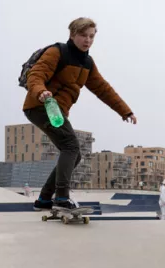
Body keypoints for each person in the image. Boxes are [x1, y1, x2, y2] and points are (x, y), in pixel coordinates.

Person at [24, 17, 137, 211]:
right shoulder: (57, 52)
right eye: (83, 35)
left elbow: (102, 88)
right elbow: (36, 74)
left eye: (92, 37)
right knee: (70, 146)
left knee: (74, 155)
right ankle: (61, 197)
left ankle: (44, 198)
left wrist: (124, 110)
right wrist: (40, 91)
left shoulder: (87, 63)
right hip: (42, 105)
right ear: (73, 35)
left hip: (58, 112)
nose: (88, 40)